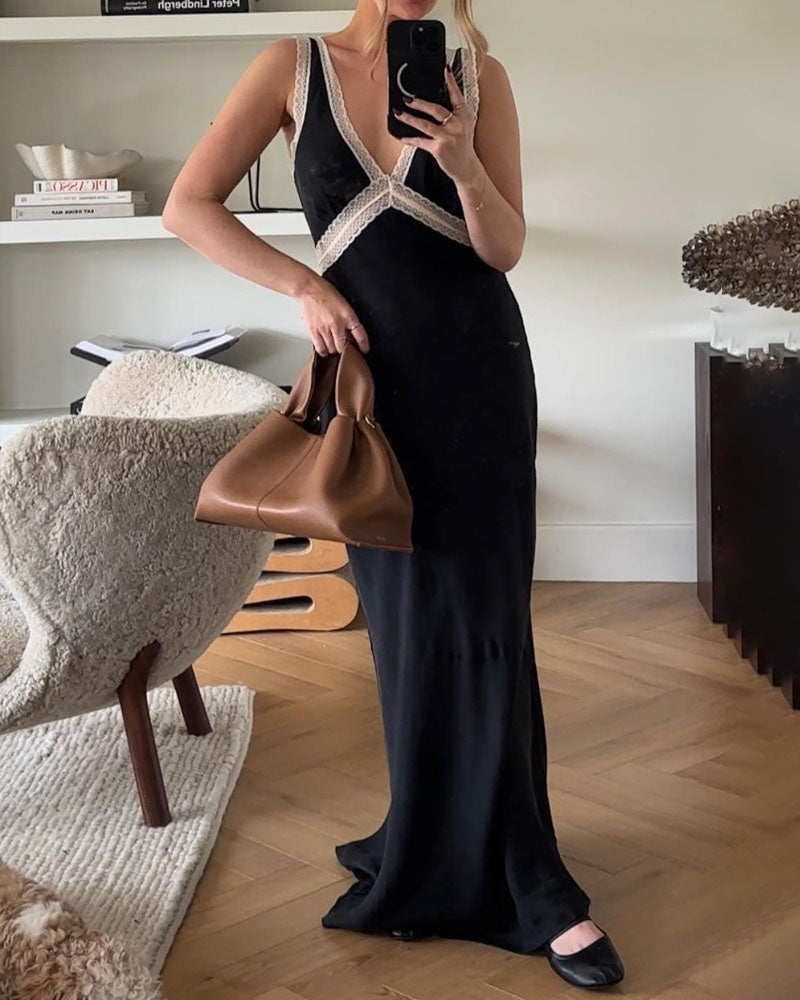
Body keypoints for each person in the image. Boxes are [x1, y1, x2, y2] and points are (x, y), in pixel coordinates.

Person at [163, 0, 624, 989]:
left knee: (487, 621)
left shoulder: (480, 78)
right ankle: (426, 844)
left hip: (478, 376)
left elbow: (502, 248)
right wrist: (303, 287)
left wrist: (461, 161)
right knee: (407, 626)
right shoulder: (292, 65)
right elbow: (188, 205)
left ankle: (534, 884)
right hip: (371, 391)